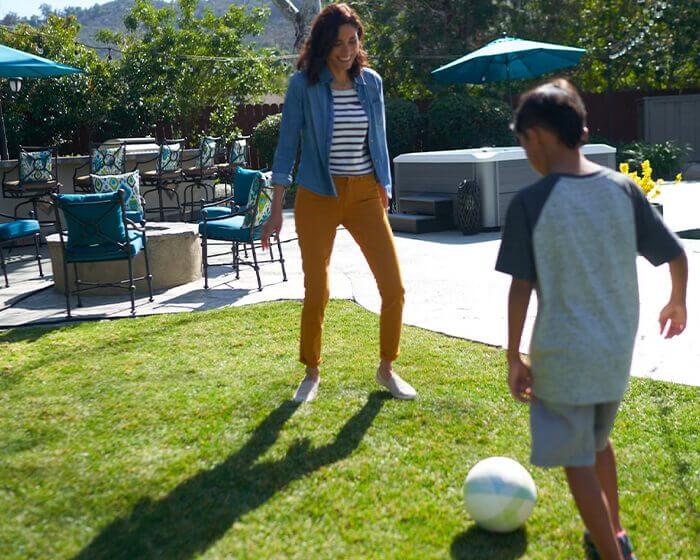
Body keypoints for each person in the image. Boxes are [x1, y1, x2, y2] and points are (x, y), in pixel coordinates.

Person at [496, 79, 688, 560]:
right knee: (598, 442)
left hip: (563, 352)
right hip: (615, 349)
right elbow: (675, 253)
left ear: (537, 134)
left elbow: (520, 287)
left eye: (523, 142)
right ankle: (615, 530)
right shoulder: (622, 189)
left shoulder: (530, 203)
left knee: (576, 458)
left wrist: (514, 353)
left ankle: (612, 552)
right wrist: (676, 301)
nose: (526, 153)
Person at [261, 3, 416, 404]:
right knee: (317, 289)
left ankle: (386, 368)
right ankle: (311, 371)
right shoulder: (303, 85)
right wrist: (276, 208)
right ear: (323, 44)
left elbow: (378, 138)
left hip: (364, 193)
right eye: (338, 42)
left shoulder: (372, 84)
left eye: (352, 41)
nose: (346, 50)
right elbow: (287, 146)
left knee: (394, 287)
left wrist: (385, 184)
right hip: (317, 195)